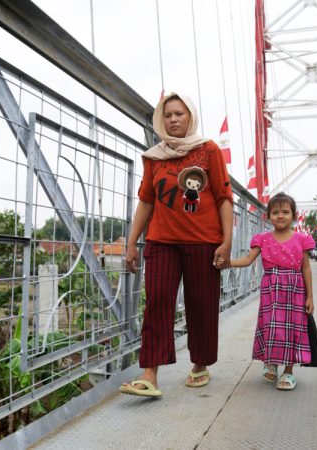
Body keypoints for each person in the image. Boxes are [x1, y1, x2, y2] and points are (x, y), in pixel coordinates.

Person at [120, 92, 233, 398]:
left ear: (191, 116)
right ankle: (150, 375)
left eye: (179, 114)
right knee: (157, 301)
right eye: (167, 115)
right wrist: (132, 243)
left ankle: (199, 364)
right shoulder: (153, 157)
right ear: (161, 119)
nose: (173, 120)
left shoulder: (208, 150)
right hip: (161, 241)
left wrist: (226, 242)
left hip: (204, 242)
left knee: (201, 304)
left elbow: (224, 198)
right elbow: (145, 201)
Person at [231, 192, 315, 390]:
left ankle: (288, 372)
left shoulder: (302, 239)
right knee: (270, 326)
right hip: (271, 289)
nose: (280, 215)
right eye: (275, 212)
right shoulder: (262, 239)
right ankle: (271, 363)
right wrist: (228, 262)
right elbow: (247, 260)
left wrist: (310, 296)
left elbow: (306, 268)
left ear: (294, 216)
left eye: (286, 212)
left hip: (295, 289)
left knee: (293, 328)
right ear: (268, 216)